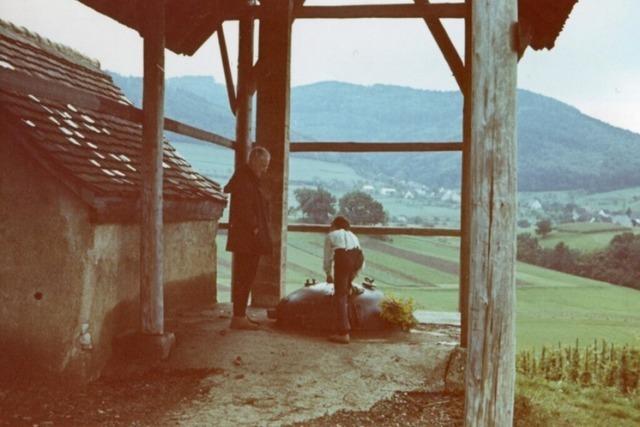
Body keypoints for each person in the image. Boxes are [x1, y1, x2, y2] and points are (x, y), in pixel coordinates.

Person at [224, 146, 272, 330]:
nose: (265, 169)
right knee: (245, 276)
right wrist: (256, 228)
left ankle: (240, 314)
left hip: (246, 238)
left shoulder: (246, 177)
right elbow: (245, 208)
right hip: (247, 239)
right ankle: (238, 317)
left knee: (245, 276)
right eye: (263, 165)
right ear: (254, 162)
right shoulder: (245, 179)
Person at [323, 216, 364, 344]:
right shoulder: (353, 236)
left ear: (334, 225)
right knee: (345, 291)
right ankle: (347, 323)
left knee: (340, 295)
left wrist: (328, 274)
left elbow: (328, 257)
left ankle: (343, 333)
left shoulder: (331, 235)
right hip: (358, 260)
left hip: (343, 259)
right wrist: (352, 277)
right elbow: (360, 258)